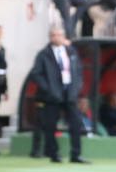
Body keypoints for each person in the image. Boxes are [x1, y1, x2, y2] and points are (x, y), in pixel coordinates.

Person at [29, 27, 89, 163]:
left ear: (63, 36)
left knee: (76, 124)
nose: (57, 37)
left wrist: (76, 88)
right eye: (54, 35)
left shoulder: (71, 52)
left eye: (59, 35)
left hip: (70, 94)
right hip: (52, 96)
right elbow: (36, 74)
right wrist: (48, 89)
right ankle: (53, 154)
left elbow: (78, 71)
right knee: (50, 125)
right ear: (50, 37)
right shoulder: (44, 54)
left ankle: (76, 154)